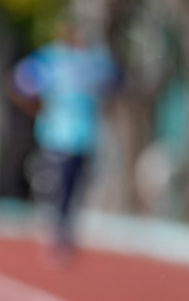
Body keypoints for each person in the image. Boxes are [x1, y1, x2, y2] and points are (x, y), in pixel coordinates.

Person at [7, 20, 121, 263]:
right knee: (57, 185)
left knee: (77, 188)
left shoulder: (94, 62)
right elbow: (19, 83)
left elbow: (116, 84)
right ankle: (55, 232)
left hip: (87, 137)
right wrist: (38, 110)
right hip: (57, 136)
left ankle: (66, 232)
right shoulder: (51, 59)